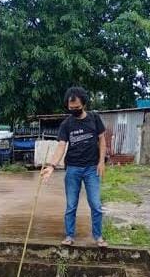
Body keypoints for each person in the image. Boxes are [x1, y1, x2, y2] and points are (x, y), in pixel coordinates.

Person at [41, 86, 108, 246]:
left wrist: (101, 162)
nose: (74, 110)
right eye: (71, 108)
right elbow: (61, 146)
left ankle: (98, 236)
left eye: (77, 108)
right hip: (73, 169)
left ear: (83, 104)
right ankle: (69, 236)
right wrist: (51, 166)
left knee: (96, 204)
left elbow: (102, 140)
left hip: (92, 169)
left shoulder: (94, 118)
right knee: (71, 205)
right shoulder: (67, 124)